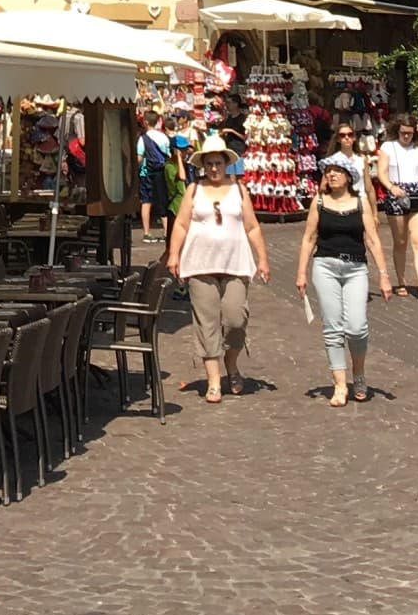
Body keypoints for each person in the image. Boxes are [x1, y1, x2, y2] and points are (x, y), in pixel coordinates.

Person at [165, 130, 270, 402]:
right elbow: (181, 224)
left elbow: (252, 226)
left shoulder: (239, 190)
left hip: (235, 263)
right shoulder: (194, 189)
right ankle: (213, 380)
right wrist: (174, 254)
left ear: (226, 164)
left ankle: (232, 363)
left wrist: (263, 259)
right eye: (209, 163)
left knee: (236, 319)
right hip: (200, 264)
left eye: (218, 163)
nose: (213, 168)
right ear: (203, 165)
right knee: (207, 322)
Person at [296, 156, 393, 405]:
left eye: (337, 170)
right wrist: (301, 272)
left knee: (357, 327)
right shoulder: (319, 202)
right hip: (325, 266)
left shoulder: (361, 203)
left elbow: (372, 240)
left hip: (355, 268)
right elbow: (309, 238)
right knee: (332, 328)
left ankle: (358, 374)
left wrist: (383, 275)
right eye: (328, 170)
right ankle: (339, 384)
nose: (332, 175)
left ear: (349, 176)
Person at [373, 112, 418, 297]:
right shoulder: (388, 146)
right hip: (397, 191)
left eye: (410, 133)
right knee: (400, 242)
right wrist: (390, 187)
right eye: (403, 132)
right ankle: (401, 281)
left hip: (417, 191)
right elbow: (382, 172)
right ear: (397, 130)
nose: (406, 136)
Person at [136, 110, 172, 235]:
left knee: (146, 201)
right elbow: (169, 155)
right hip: (161, 172)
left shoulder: (143, 138)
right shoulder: (164, 137)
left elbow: (139, 158)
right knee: (163, 201)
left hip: (146, 173)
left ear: (145, 122)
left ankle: (146, 232)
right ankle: (167, 231)